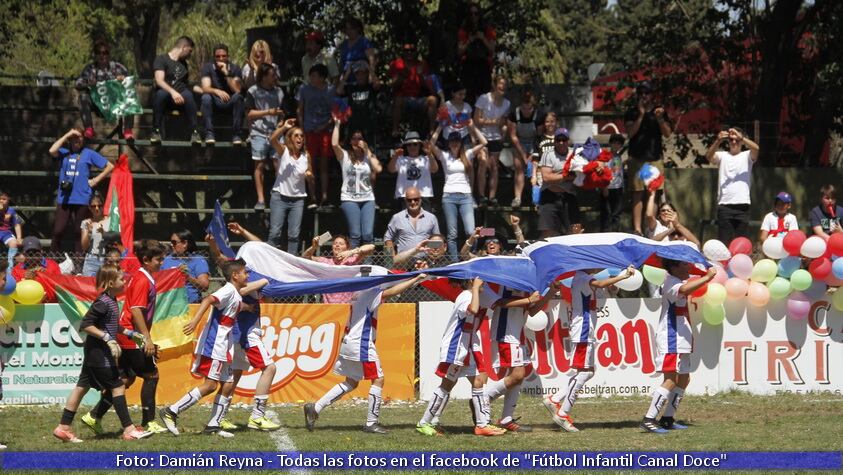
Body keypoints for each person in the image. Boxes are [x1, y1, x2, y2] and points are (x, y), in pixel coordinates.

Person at [303, 273, 427, 434]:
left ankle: (316, 407)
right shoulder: (371, 292)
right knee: (378, 379)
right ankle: (371, 422)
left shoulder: (359, 293)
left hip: (349, 341)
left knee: (351, 382)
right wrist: (416, 279)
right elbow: (392, 292)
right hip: (360, 343)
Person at [159, 259, 268, 438]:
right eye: (245, 272)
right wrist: (194, 322)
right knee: (210, 385)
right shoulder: (227, 290)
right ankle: (172, 411)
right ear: (235, 275)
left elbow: (236, 305)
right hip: (215, 343)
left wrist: (247, 307)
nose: (247, 275)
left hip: (225, 345)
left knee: (228, 383)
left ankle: (213, 425)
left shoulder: (234, 293)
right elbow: (208, 299)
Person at [52, 265, 152, 443]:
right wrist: (107, 338)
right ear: (111, 283)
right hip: (99, 353)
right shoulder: (103, 302)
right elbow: (86, 324)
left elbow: (111, 324)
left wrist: (129, 333)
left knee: (81, 387)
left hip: (94, 352)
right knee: (118, 386)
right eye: (121, 279)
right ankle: (129, 430)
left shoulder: (111, 300)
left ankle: (63, 427)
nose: (125, 281)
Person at [82, 241, 167, 434]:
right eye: (158, 259)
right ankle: (148, 421)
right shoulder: (142, 279)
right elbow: (136, 310)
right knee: (151, 375)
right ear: (145, 260)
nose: (161, 263)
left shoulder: (144, 277)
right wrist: (146, 338)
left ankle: (94, 415)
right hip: (132, 335)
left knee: (126, 378)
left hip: (129, 334)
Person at [205, 224, 281, 432]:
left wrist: (244, 231)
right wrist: (265, 281)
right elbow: (241, 288)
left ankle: (217, 419)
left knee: (234, 376)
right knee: (270, 367)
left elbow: (260, 247)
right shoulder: (245, 274)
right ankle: (257, 416)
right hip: (246, 332)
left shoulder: (252, 270)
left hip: (239, 332)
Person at [543, 266, 635, 432]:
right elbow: (600, 284)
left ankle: (554, 399)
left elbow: (598, 286)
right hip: (583, 330)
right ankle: (563, 413)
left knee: (589, 371)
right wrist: (623, 277)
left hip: (585, 330)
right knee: (584, 372)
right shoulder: (583, 278)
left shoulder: (581, 278)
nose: (599, 266)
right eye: (595, 263)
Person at [415, 277, 505, 437]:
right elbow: (473, 309)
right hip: (455, 348)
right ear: (471, 281)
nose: (483, 282)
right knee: (447, 384)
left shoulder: (474, 293)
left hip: (467, 347)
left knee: (478, 381)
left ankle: (482, 425)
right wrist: (476, 289)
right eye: (479, 279)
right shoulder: (465, 296)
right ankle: (425, 422)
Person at [640, 260, 717, 433]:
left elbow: (688, 287)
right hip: (671, 338)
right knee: (670, 380)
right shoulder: (670, 282)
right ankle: (649, 418)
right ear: (674, 267)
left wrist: (705, 272)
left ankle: (667, 418)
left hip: (682, 338)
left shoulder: (678, 280)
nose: (688, 268)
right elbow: (684, 290)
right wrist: (708, 277)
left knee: (684, 379)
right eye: (684, 265)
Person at [480, 279, 559, 433]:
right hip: (506, 333)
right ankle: (484, 399)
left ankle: (506, 419)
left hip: (517, 334)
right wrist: (528, 299)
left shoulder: (525, 282)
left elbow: (533, 310)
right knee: (517, 375)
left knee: (518, 377)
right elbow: (499, 303)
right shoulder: (503, 279)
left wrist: (550, 292)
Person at [48, 128, 114, 252]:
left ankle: (79, 263)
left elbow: (110, 166)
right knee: (58, 230)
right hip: (65, 197)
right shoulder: (63, 152)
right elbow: (52, 150)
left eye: (79, 137)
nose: (76, 140)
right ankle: (53, 260)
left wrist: (96, 180)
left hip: (82, 197)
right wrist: (67, 134)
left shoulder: (88, 153)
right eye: (73, 138)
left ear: (84, 139)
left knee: (79, 231)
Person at [430, 123, 487, 260]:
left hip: (466, 196)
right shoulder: (444, 156)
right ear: (449, 143)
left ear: (461, 143)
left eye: (457, 141)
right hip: (449, 196)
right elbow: (430, 144)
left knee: (470, 231)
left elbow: (484, 142)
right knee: (452, 233)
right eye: (452, 141)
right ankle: (454, 262)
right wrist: (439, 126)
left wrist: (472, 126)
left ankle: (470, 257)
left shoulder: (467, 154)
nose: (455, 144)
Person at [625, 81, 673, 236]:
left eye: (647, 93)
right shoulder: (632, 111)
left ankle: (653, 228)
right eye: (641, 93)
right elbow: (630, 133)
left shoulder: (659, 112)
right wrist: (640, 114)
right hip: (637, 158)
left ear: (652, 95)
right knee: (637, 194)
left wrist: (659, 119)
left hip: (655, 158)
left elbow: (667, 133)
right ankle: (638, 229)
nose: (644, 96)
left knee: (655, 193)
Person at [331, 119, 382, 248]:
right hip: (349, 199)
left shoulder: (368, 157)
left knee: (368, 234)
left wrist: (368, 151)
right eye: (354, 138)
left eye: (360, 138)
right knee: (355, 234)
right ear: (350, 141)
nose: (357, 141)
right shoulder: (345, 156)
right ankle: (353, 264)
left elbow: (378, 169)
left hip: (368, 199)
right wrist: (337, 124)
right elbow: (334, 144)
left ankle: (367, 265)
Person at [706, 127, 760, 242]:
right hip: (725, 205)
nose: (734, 142)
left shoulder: (747, 155)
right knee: (725, 242)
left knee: (741, 242)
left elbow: (756, 148)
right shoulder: (722, 155)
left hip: (743, 205)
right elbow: (709, 157)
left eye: (737, 140)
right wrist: (718, 140)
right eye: (731, 139)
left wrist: (742, 138)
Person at [268, 118, 314, 254]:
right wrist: (284, 128)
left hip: (298, 199)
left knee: (294, 235)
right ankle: (268, 260)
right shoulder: (284, 151)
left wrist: (309, 175)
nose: (300, 138)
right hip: (279, 197)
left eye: (301, 136)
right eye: (296, 135)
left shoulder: (306, 156)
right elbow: (272, 140)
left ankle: (291, 263)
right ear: (290, 138)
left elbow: (309, 172)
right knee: (275, 232)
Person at [75, 39, 134, 140]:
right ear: (95, 55)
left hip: (114, 103)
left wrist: (123, 80)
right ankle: (89, 128)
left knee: (129, 96)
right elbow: (77, 84)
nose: (102, 55)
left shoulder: (118, 67)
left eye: (105, 52)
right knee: (83, 97)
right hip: (96, 104)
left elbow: (130, 81)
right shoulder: (89, 69)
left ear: (109, 54)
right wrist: (89, 84)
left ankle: (127, 130)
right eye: (98, 53)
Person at [245, 63, 285, 210]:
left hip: (276, 133)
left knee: (279, 163)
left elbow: (283, 113)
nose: (275, 77)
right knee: (259, 165)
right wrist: (268, 112)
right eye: (272, 75)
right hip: (259, 133)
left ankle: (278, 195)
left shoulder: (280, 92)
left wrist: (280, 124)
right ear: (263, 77)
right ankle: (261, 199)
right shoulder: (252, 91)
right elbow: (249, 114)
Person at [298, 64, 335, 206]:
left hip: (325, 132)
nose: (311, 78)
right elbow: (300, 110)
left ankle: (325, 196)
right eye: (310, 75)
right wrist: (302, 130)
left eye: (314, 76)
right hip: (308, 131)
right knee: (309, 164)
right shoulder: (304, 89)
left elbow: (335, 113)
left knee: (324, 164)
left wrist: (324, 126)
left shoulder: (330, 90)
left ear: (322, 77)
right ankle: (312, 197)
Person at [151, 36, 199, 144]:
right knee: (161, 94)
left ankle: (195, 132)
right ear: (184, 47)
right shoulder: (161, 59)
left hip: (180, 99)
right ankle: (156, 131)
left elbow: (185, 85)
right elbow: (159, 80)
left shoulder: (184, 64)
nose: (190, 54)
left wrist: (203, 89)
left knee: (189, 95)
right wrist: (173, 92)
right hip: (165, 99)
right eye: (190, 51)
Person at [303, 234, 375, 303]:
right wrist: (314, 247)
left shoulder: (352, 261)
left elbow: (371, 247)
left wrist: (351, 252)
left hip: (346, 306)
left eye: (341, 244)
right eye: (335, 243)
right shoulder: (325, 262)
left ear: (347, 247)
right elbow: (305, 257)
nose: (337, 245)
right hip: (328, 307)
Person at [473, 76, 510, 207]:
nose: (503, 87)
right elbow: (476, 119)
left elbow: (504, 122)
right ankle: (482, 196)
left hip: (496, 137)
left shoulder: (507, 103)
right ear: (494, 85)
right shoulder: (484, 98)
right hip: (482, 136)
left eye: (505, 84)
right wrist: (492, 122)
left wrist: (503, 127)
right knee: (483, 163)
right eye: (500, 84)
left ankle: (492, 197)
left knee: (494, 167)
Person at [539, 127, 582, 237]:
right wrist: (567, 177)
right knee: (547, 232)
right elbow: (546, 177)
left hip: (569, 195)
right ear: (554, 141)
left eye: (564, 140)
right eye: (558, 140)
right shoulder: (548, 154)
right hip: (549, 195)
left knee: (575, 230)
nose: (561, 142)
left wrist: (557, 176)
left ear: (568, 141)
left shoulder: (575, 154)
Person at [388, 43, 438, 136]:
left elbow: (431, 89)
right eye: (406, 50)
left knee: (433, 100)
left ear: (416, 52)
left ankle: (432, 131)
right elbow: (391, 85)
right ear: (402, 52)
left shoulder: (422, 64)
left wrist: (420, 76)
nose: (409, 53)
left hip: (419, 99)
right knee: (397, 99)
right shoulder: (396, 64)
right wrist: (402, 76)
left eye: (412, 50)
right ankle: (395, 131)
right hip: (404, 99)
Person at [200, 44, 244, 145]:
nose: (221, 58)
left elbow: (237, 90)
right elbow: (205, 88)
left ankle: (236, 135)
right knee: (205, 97)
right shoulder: (207, 67)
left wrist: (226, 73)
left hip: (230, 102)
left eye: (224, 56)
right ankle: (209, 134)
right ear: (214, 57)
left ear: (228, 56)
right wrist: (217, 91)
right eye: (218, 56)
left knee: (238, 97)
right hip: (214, 102)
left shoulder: (235, 68)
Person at [506, 90, 542, 208]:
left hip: (534, 142)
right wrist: (523, 155)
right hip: (519, 142)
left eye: (529, 108)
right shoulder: (514, 115)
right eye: (524, 108)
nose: (526, 111)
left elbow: (539, 137)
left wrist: (532, 155)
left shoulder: (538, 116)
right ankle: (517, 198)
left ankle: (535, 199)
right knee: (518, 168)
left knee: (535, 169)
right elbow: (513, 136)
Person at [384, 187, 441, 258]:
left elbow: (437, 241)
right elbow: (388, 239)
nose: (413, 202)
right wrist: (392, 259)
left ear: (421, 199)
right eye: (409, 200)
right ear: (405, 200)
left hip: (426, 263)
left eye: (416, 199)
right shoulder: (397, 218)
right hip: (403, 263)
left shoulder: (431, 218)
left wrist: (433, 259)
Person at [457, 3, 496, 104]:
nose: (473, 16)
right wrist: (470, 40)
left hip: (483, 65)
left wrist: (483, 38)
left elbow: (492, 49)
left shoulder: (487, 29)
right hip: (468, 65)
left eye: (476, 13)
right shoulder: (464, 30)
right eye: (471, 14)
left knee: (484, 97)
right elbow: (459, 51)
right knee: (468, 97)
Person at [388, 132, 438, 209]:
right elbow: (391, 169)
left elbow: (434, 170)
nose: (412, 147)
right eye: (409, 144)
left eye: (415, 144)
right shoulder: (400, 159)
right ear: (406, 146)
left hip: (423, 196)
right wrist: (395, 156)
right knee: (405, 221)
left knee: (425, 220)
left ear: (419, 145)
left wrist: (429, 154)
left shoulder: (426, 159)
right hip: (405, 196)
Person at [337, 60, 381, 146]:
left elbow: (377, 84)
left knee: (369, 149)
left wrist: (369, 68)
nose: (360, 76)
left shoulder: (370, 87)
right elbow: (339, 91)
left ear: (367, 74)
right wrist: (347, 74)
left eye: (363, 73)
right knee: (350, 148)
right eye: (357, 73)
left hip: (368, 124)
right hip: (352, 124)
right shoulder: (351, 88)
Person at [162, 230, 210, 304]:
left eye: (174, 242)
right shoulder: (167, 260)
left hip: (190, 304)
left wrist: (187, 277)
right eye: (171, 242)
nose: (171, 245)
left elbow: (204, 287)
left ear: (185, 243)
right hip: (168, 305)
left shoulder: (198, 260)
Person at [11, 236, 61, 302]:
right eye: (29, 253)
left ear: (42, 251)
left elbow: (59, 286)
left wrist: (44, 276)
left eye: (36, 252)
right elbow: (15, 293)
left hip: (49, 303)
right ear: (23, 254)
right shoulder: (17, 269)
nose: (33, 256)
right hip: (27, 304)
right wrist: (26, 280)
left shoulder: (52, 265)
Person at [459, 216, 525, 260]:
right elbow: (464, 254)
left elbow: (521, 247)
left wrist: (516, 226)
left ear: (500, 245)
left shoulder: (506, 258)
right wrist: (472, 237)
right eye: (487, 242)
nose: (491, 243)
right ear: (485, 247)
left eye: (495, 240)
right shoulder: (481, 259)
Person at [337, 17, 377, 86]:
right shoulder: (344, 44)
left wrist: (371, 78)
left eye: (352, 28)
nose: (349, 31)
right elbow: (341, 64)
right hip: (346, 82)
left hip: (361, 82)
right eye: (347, 29)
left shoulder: (364, 42)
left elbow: (372, 62)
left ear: (358, 29)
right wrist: (339, 81)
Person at [600, 134, 626, 232]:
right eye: (614, 142)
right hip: (608, 188)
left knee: (617, 213)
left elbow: (618, 172)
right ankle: (605, 232)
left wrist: (622, 185)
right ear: (610, 143)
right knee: (606, 212)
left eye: (619, 143)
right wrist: (604, 187)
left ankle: (616, 232)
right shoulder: (605, 156)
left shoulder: (618, 156)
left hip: (618, 188)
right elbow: (601, 172)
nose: (616, 145)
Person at [80, 192, 110, 276]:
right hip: (91, 259)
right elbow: (84, 247)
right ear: (89, 208)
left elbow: (114, 241)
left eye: (99, 206)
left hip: (107, 259)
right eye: (93, 206)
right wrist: (89, 232)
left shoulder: (110, 221)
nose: (97, 208)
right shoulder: (86, 222)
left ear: (103, 206)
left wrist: (103, 233)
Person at [439, 83, 474, 149]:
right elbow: (441, 120)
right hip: (448, 137)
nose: (462, 97)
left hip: (464, 136)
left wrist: (472, 137)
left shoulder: (467, 106)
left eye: (464, 94)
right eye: (460, 94)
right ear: (453, 93)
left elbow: (469, 123)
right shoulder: (446, 105)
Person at [0, 190, 22, 263]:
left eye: (4, 199)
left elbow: (17, 225)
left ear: (8, 200)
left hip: (6, 232)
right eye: (0, 199)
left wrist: (19, 238)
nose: (1, 201)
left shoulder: (11, 210)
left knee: (13, 243)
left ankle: (10, 264)